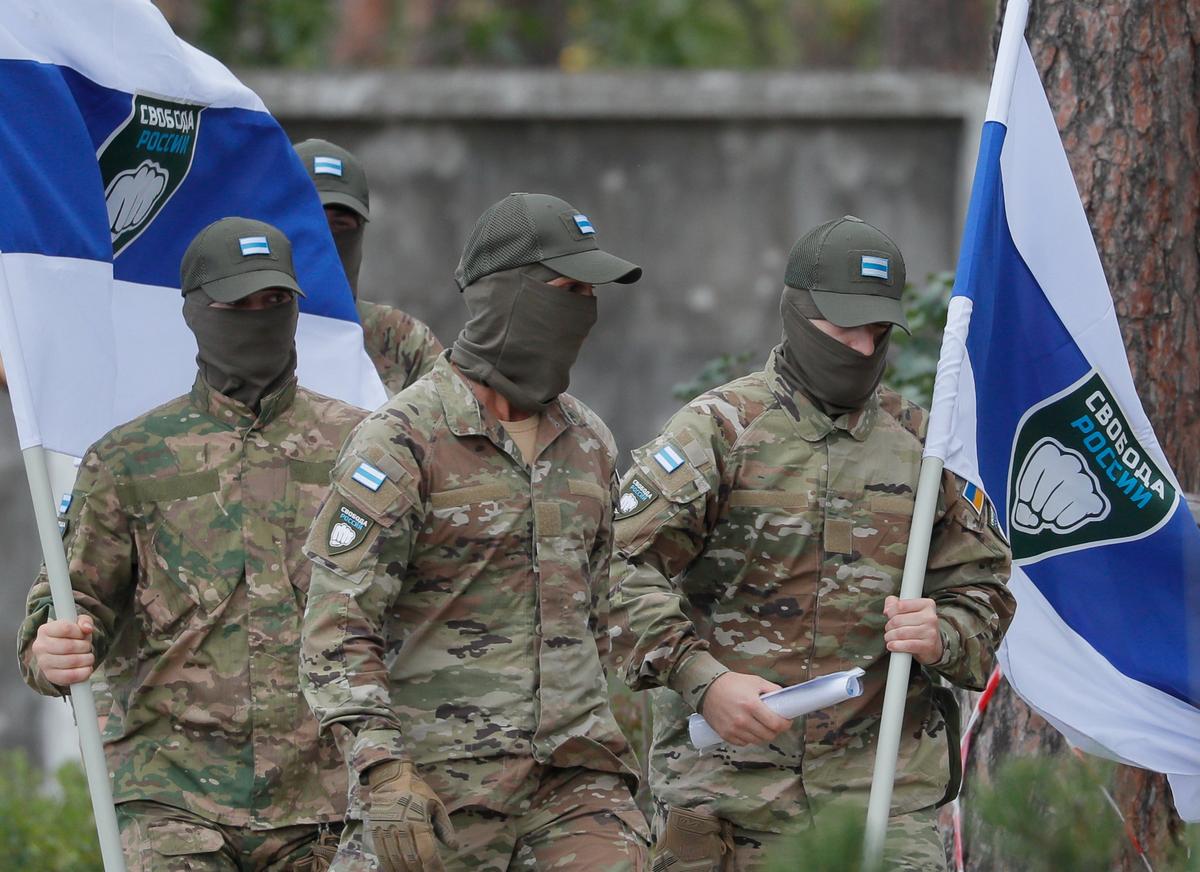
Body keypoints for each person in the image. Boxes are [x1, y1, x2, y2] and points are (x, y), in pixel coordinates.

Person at [609, 215, 1015, 871]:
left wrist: (945, 631)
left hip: (881, 801)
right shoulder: (718, 433)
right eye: (843, 328)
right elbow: (619, 569)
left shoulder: (926, 450)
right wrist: (702, 680)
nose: (860, 348)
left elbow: (986, 592)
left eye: (878, 333)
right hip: (727, 799)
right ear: (797, 314)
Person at [300, 192, 651, 871]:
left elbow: (612, 612)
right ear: (506, 295)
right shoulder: (402, 443)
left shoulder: (590, 442)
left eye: (590, 293)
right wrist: (383, 772)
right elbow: (337, 627)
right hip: (436, 793)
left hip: (576, 787)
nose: (582, 310)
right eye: (566, 289)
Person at [18, 217, 367, 871]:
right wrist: (50, 649)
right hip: (172, 798)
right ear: (195, 312)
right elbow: (66, 604)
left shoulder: (367, 450)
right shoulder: (129, 460)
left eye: (275, 302)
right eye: (237, 304)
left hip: (329, 802)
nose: (258, 318)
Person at [294, 138, 443, 395]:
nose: (325, 238)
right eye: (311, 220)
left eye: (340, 225)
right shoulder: (239, 332)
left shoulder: (402, 340)